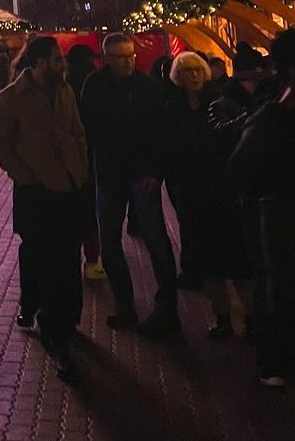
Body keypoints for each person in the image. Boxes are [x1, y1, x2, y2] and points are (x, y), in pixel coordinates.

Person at [0, 36, 88, 383]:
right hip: (36, 191)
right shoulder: (14, 97)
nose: (62, 64)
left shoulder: (64, 91)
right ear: (39, 62)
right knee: (43, 259)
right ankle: (52, 328)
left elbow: (77, 131)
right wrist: (24, 175)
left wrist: (80, 167)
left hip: (68, 186)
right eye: (56, 59)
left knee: (68, 256)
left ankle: (67, 319)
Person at [80, 31, 178, 335]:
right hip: (110, 172)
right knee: (110, 239)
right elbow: (90, 127)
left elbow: (161, 131)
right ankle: (125, 301)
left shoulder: (146, 86)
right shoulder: (95, 85)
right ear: (107, 58)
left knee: (156, 238)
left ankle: (167, 306)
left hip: (139, 172)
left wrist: (155, 171)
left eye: (131, 55)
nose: (128, 61)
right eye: (121, 56)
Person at [165, 51, 251, 335]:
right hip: (193, 191)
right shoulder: (174, 108)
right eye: (188, 71)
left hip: (221, 189)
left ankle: (251, 319)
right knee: (209, 260)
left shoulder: (222, 104)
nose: (194, 75)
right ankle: (223, 318)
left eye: (197, 70)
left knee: (237, 258)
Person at [228, 27, 295, 387]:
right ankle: (272, 360)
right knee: (278, 286)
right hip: (278, 210)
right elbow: (242, 170)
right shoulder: (272, 114)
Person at [65, 43, 103, 279]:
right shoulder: (97, 82)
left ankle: (73, 259)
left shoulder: (63, 86)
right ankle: (92, 260)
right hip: (93, 154)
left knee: (74, 210)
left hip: (70, 157)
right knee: (91, 212)